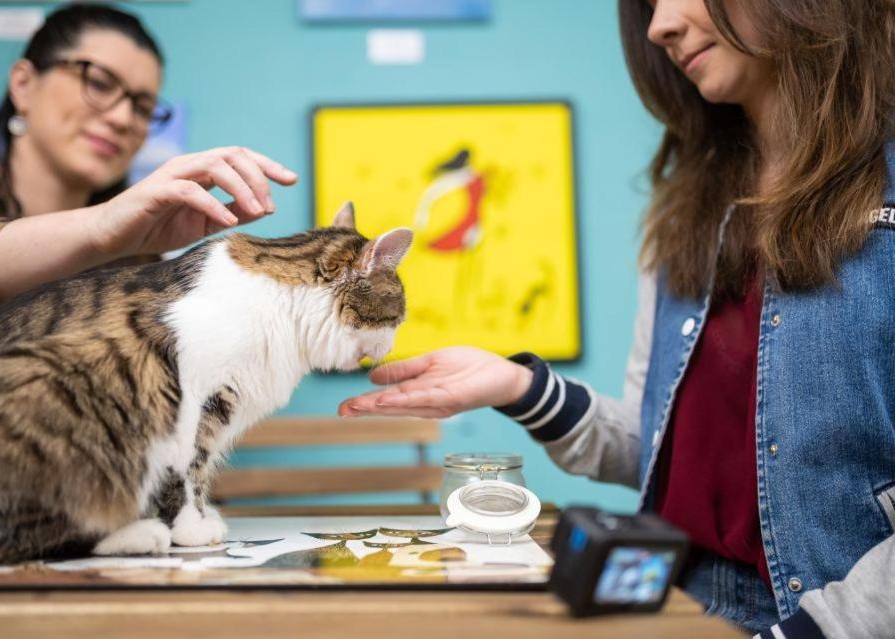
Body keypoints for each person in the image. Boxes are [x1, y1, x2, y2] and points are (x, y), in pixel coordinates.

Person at [340, 1, 895, 636]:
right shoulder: (690, 208)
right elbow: (654, 447)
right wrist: (519, 387)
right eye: (649, 5)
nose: (659, 27)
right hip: (675, 602)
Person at [0, 3, 296, 362]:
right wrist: (99, 228)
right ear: (24, 84)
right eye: (99, 83)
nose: (123, 118)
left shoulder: (138, 259)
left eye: (142, 106)